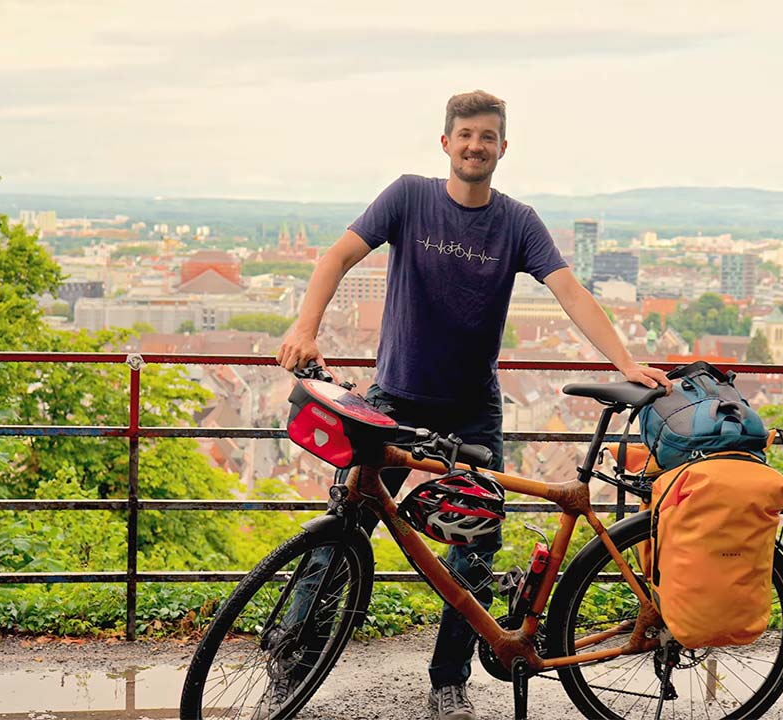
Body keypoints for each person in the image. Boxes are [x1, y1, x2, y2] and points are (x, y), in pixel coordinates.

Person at [274, 89, 670, 720]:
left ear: (502, 148)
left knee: (473, 549)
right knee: (341, 529)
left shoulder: (517, 221)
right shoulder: (408, 195)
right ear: (446, 142)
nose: (475, 146)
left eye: (487, 137)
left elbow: (571, 292)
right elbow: (339, 255)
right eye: (465, 135)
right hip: (393, 400)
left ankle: (450, 679)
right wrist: (305, 327)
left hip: (471, 412)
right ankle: (291, 662)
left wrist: (624, 363)